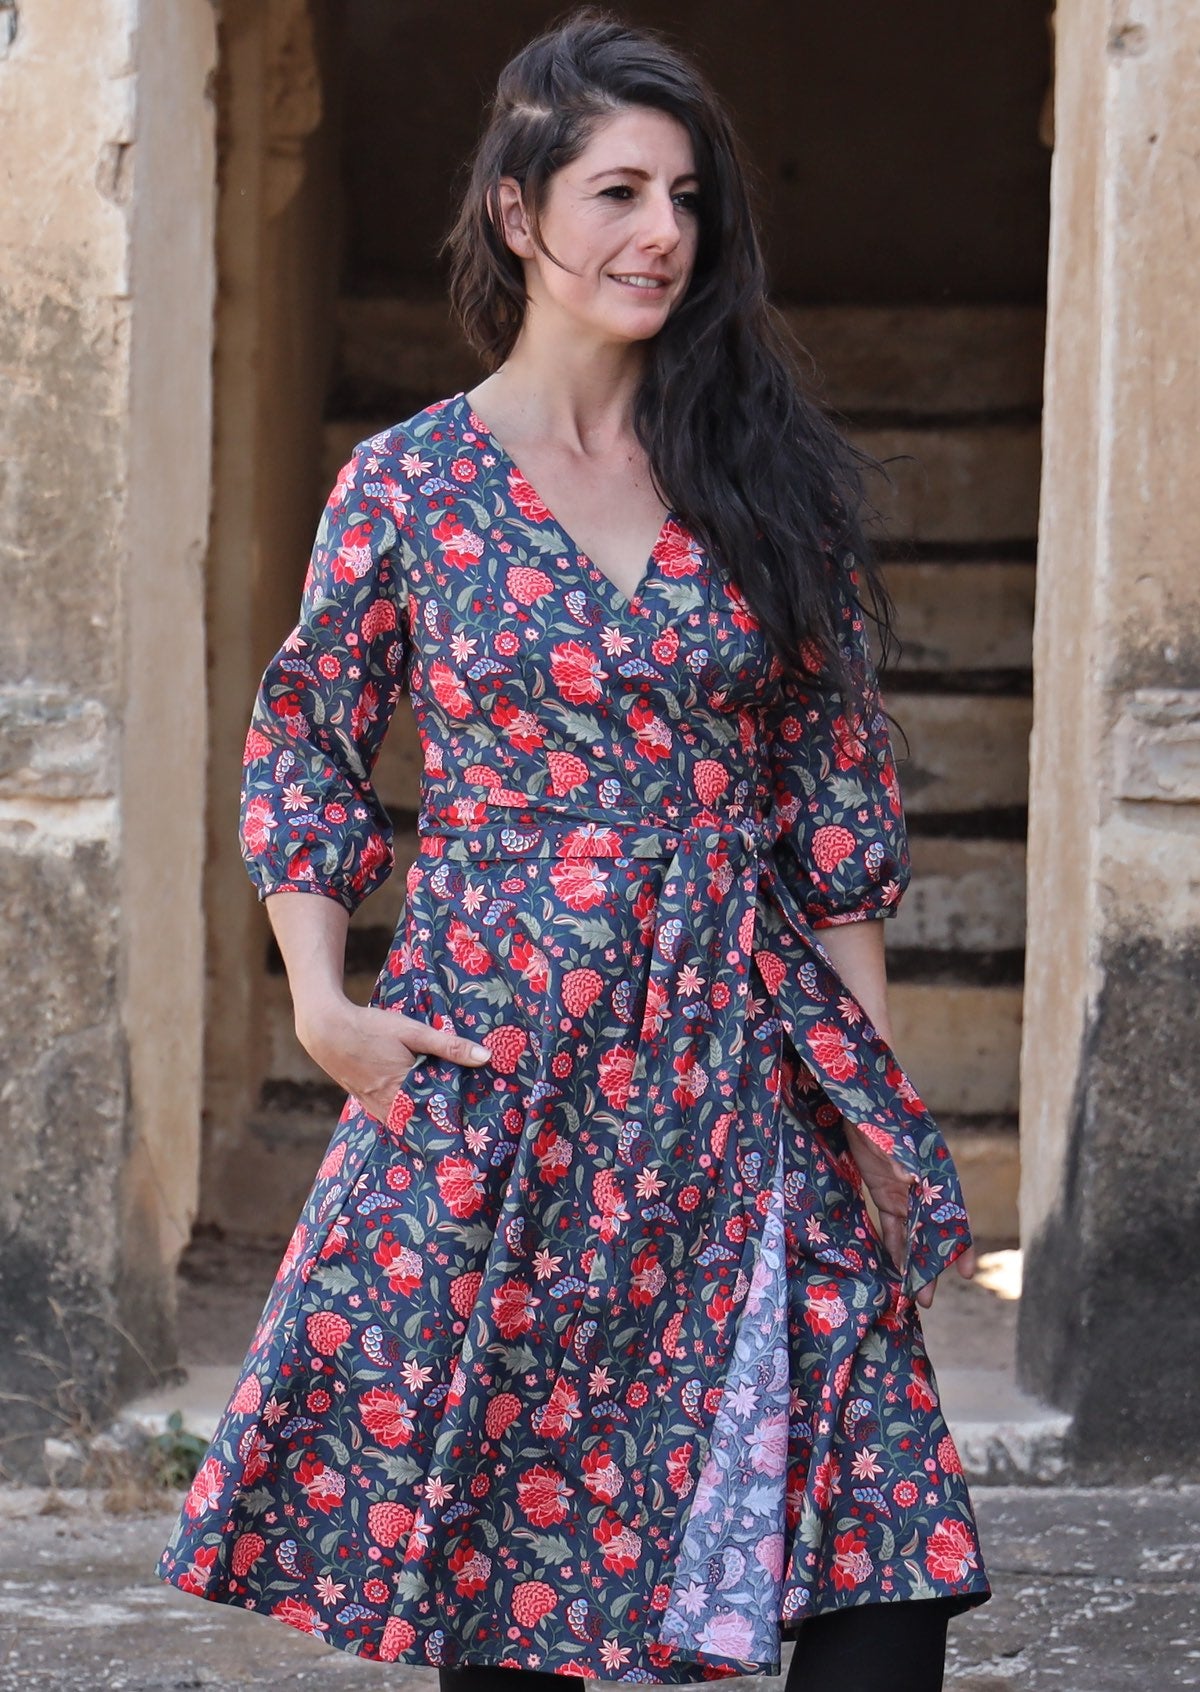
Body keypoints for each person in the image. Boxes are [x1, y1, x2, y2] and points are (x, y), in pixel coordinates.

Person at [157, 9, 991, 1688]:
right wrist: (323, 1000)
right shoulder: (406, 487)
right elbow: (310, 735)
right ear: (521, 215)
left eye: (686, 196)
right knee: (514, 1584)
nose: (663, 232)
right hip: (508, 1078)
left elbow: (833, 813)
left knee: (884, 1578)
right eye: (619, 191)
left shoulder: (767, 482)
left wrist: (875, 1098)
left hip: (747, 1070)